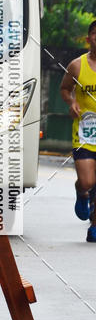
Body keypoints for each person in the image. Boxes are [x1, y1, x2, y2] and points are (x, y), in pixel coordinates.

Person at [60, 19, 96, 243]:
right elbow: (64, 88)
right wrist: (71, 102)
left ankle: (94, 225)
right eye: (95, 33)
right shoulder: (77, 65)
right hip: (85, 133)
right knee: (88, 181)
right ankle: (80, 191)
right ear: (88, 38)